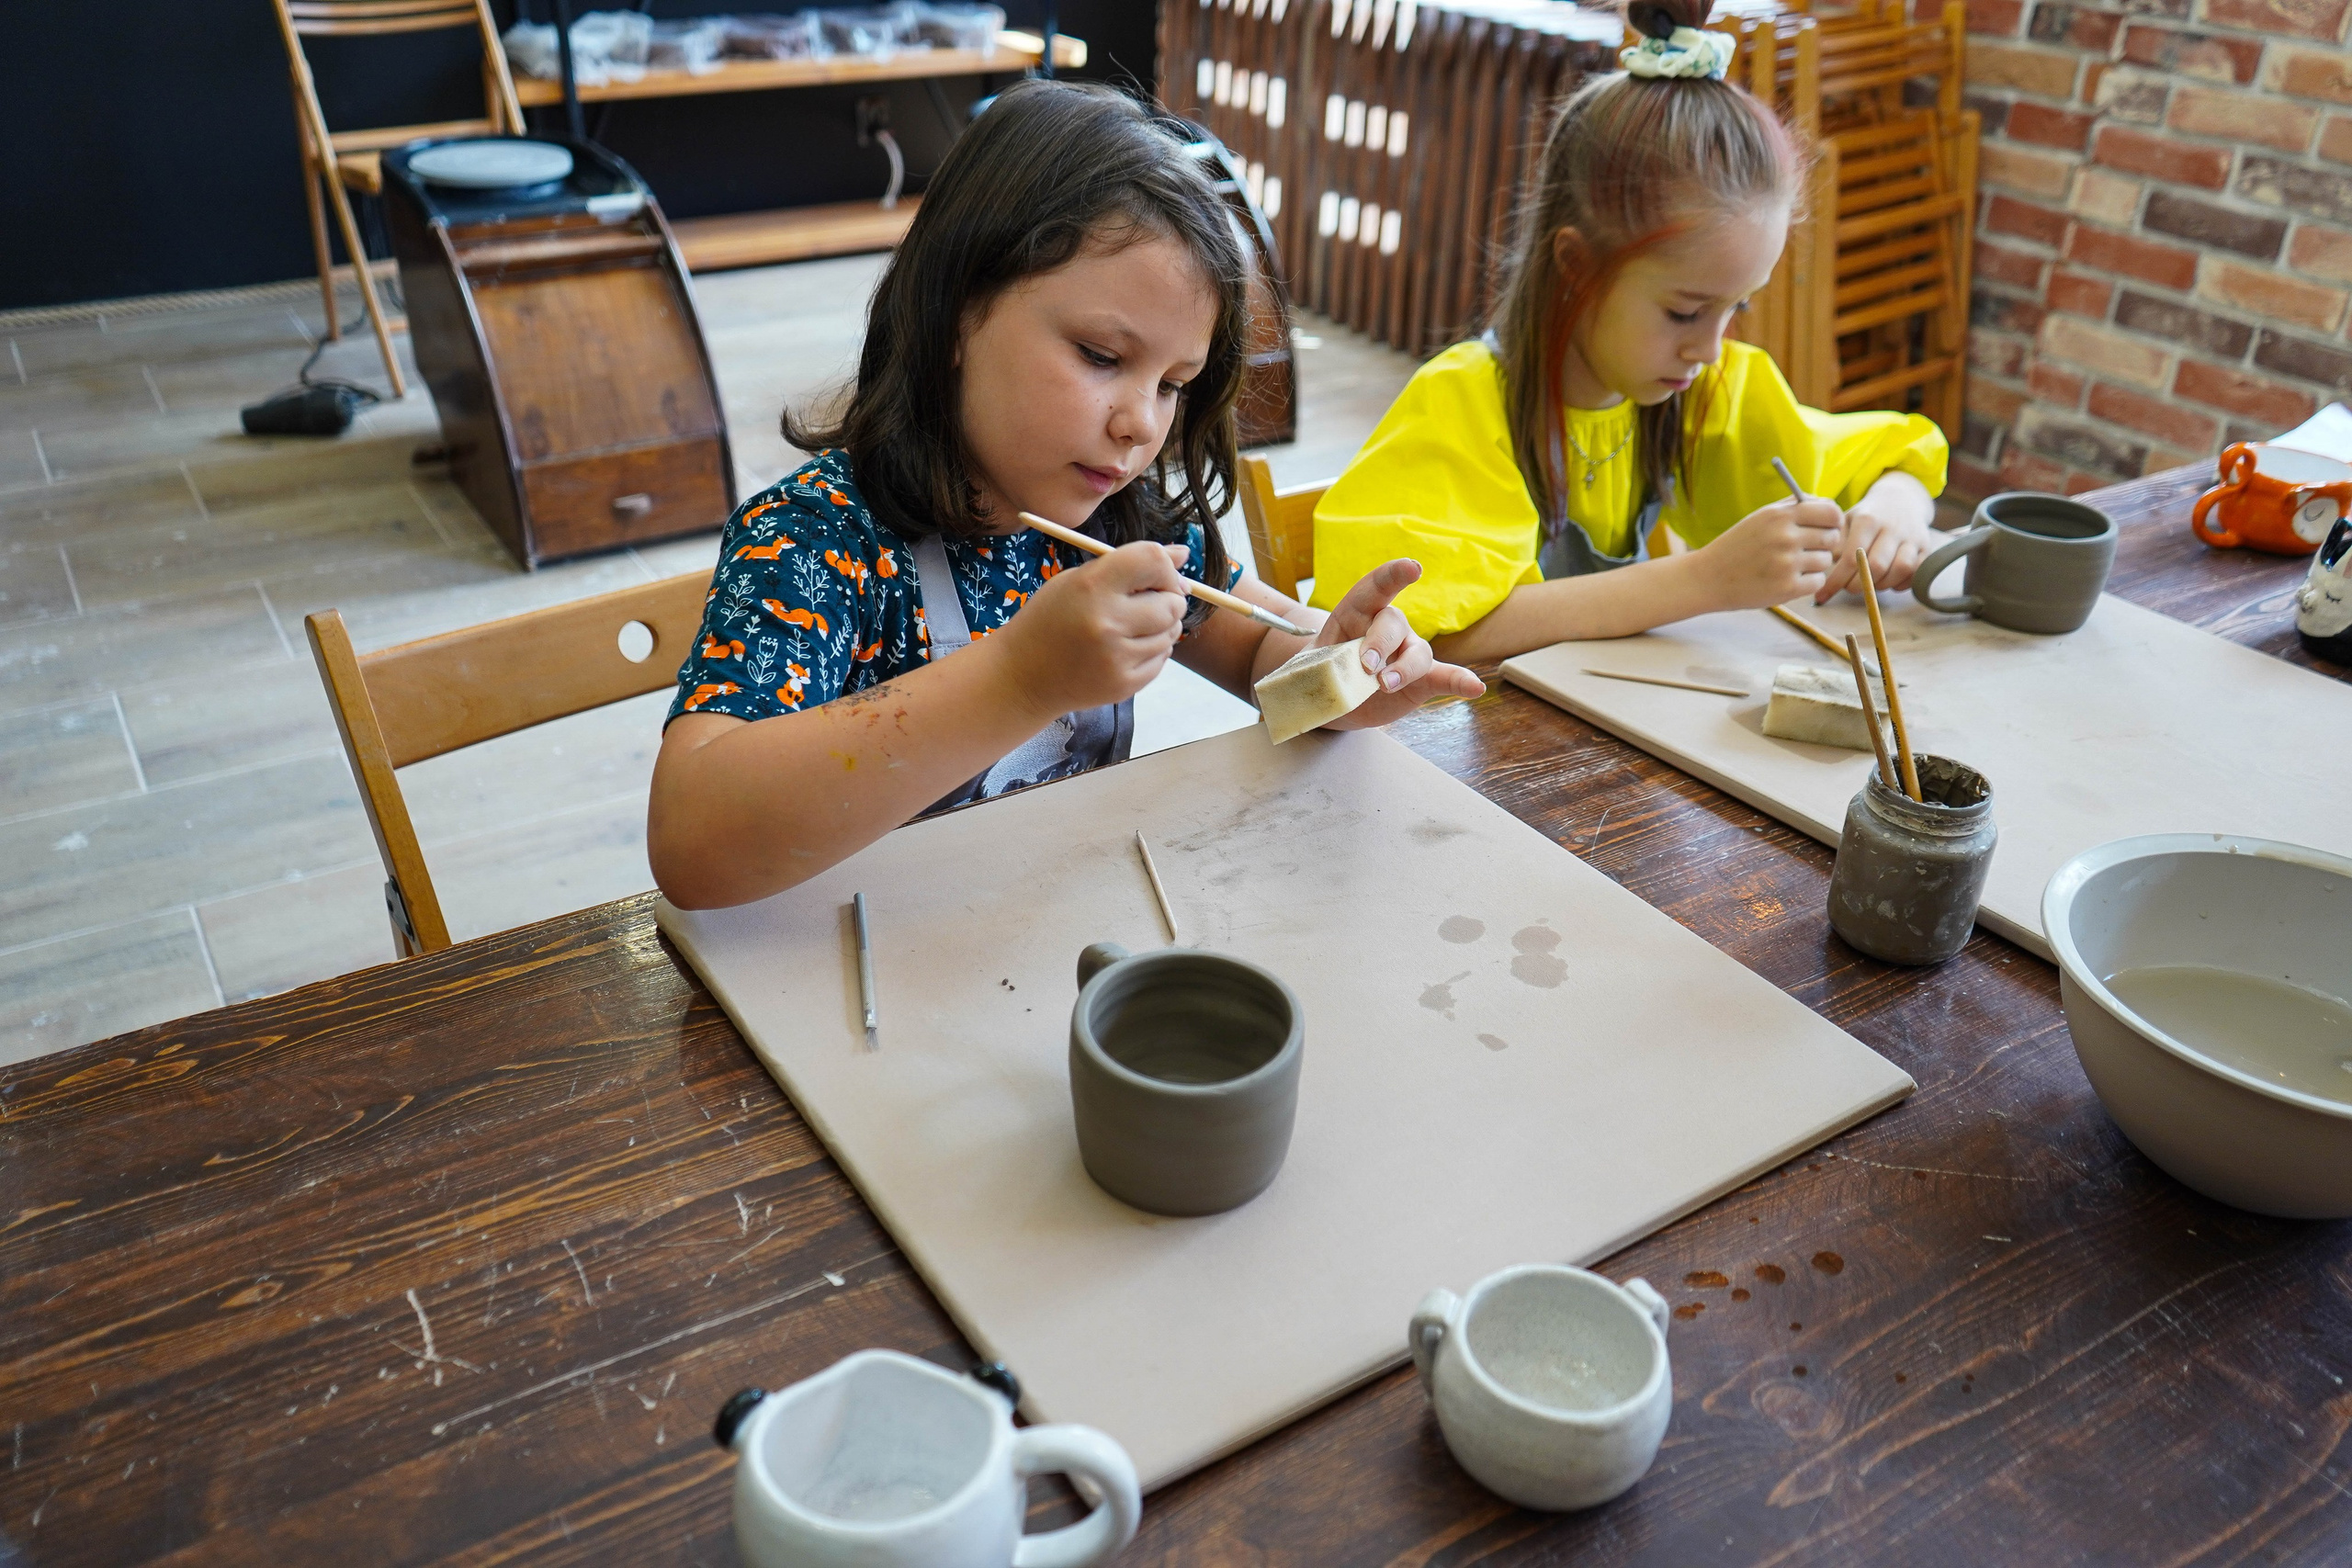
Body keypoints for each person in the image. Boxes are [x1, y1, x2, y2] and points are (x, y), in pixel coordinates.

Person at [650, 81, 1482, 910]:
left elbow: (1262, 653)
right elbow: (693, 840)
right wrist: (1019, 679)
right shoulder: (815, 540)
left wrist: (1341, 670)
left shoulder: (1120, 518)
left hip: (1063, 930)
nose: (1140, 423)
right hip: (858, 957)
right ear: (955, 311)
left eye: (1172, 384)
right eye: (1101, 356)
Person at [1308, 0, 1950, 663]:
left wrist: (1897, 506)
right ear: (1577, 265)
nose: (1709, 348)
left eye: (1737, 308)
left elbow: (1895, 457)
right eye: (1684, 312)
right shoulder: (1462, 405)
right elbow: (1428, 635)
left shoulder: (1704, 390)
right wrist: (1702, 580)